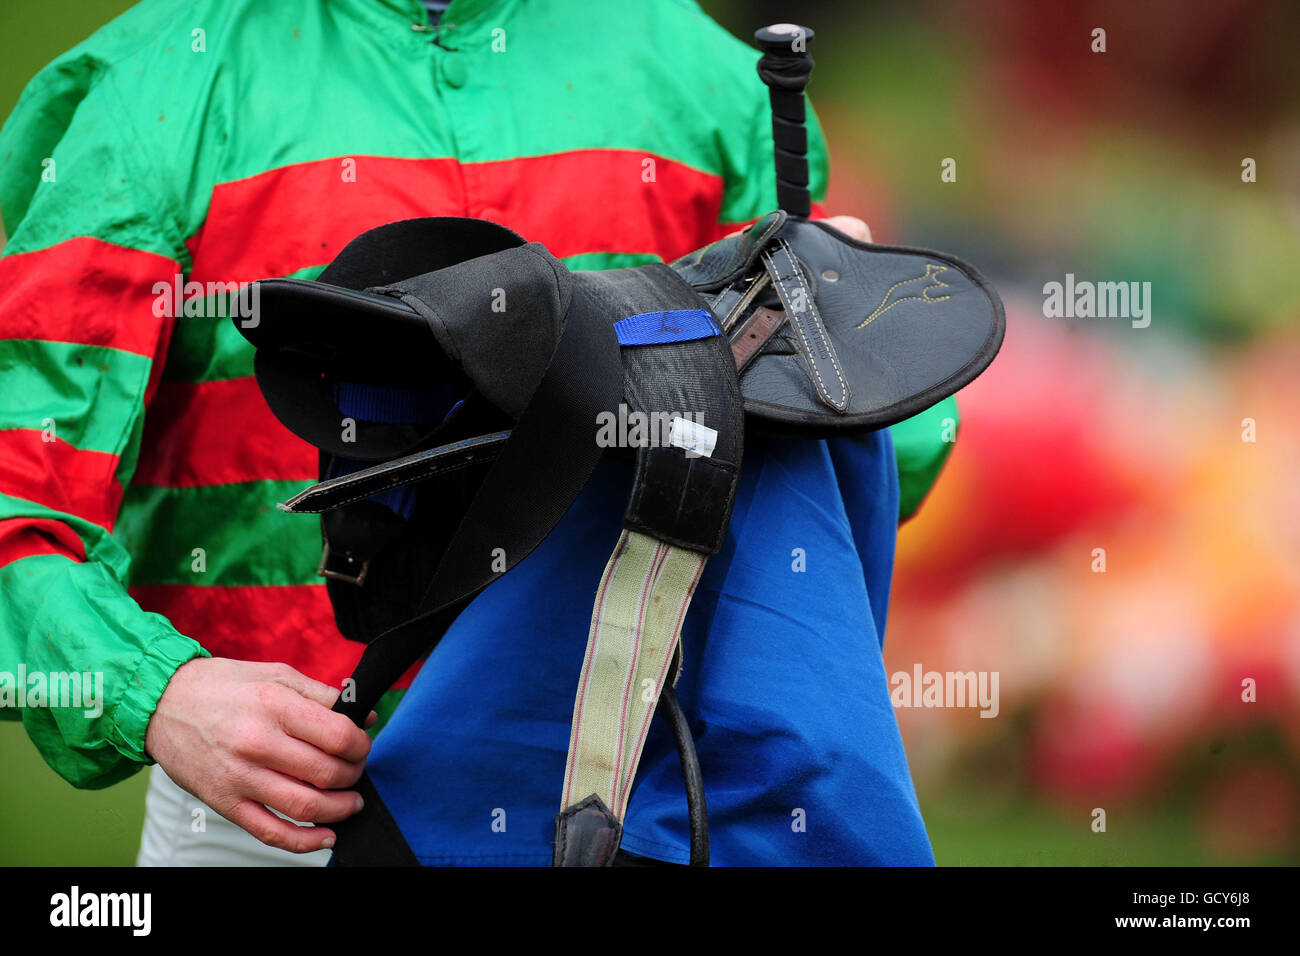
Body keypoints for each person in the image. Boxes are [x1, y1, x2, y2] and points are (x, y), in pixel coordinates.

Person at [0, 0, 957, 865]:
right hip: (277, 809)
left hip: (634, 791)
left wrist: (858, 352)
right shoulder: (147, 89)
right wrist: (160, 696)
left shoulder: (707, 81)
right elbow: (17, 500)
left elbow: (849, 468)